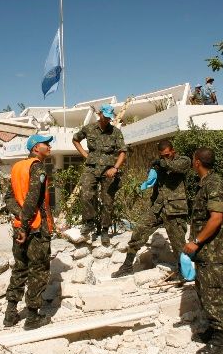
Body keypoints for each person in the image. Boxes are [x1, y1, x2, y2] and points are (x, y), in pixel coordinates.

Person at [182, 147, 223, 354]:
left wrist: (195, 242)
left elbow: (216, 219)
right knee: (206, 292)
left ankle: (220, 341)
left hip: (215, 252)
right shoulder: (206, 184)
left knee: (215, 293)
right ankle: (213, 332)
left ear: (197, 162)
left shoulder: (214, 184)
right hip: (207, 252)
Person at [111, 140, 190, 278]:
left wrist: (161, 163)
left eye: (167, 155)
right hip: (158, 208)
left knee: (179, 244)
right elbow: (156, 186)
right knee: (139, 231)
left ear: (173, 151)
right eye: (162, 156)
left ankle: (184, 272)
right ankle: (127, 266)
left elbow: (176, 167)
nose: (165, 158)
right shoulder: (161, 164)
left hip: (175, 209)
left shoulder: (183, 160)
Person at [3, 134, 54, 330]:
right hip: (34, 228)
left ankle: (10, 314)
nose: (49, 146)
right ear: (35, 148)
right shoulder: (37, 167)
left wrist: (19, 218)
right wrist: (26, 223)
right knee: (38, 271)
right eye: (46, 144)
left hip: (19, 226)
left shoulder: (17, 168)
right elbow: (33, 199)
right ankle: (32, 318)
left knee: (19, 268)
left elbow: (9, 198)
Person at [72, 104, 127, 245]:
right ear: (100, 114)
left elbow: (122, 151)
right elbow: (75, 139)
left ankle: (104, 230)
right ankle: (89, 222)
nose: (107, 120)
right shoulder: (89, 128)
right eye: (105, 116)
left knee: (108, 201)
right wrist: (85, 154)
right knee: (86, 194)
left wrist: (115, 167)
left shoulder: (115, 132)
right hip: (91, 168)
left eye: (110, 118)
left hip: (108, 171)